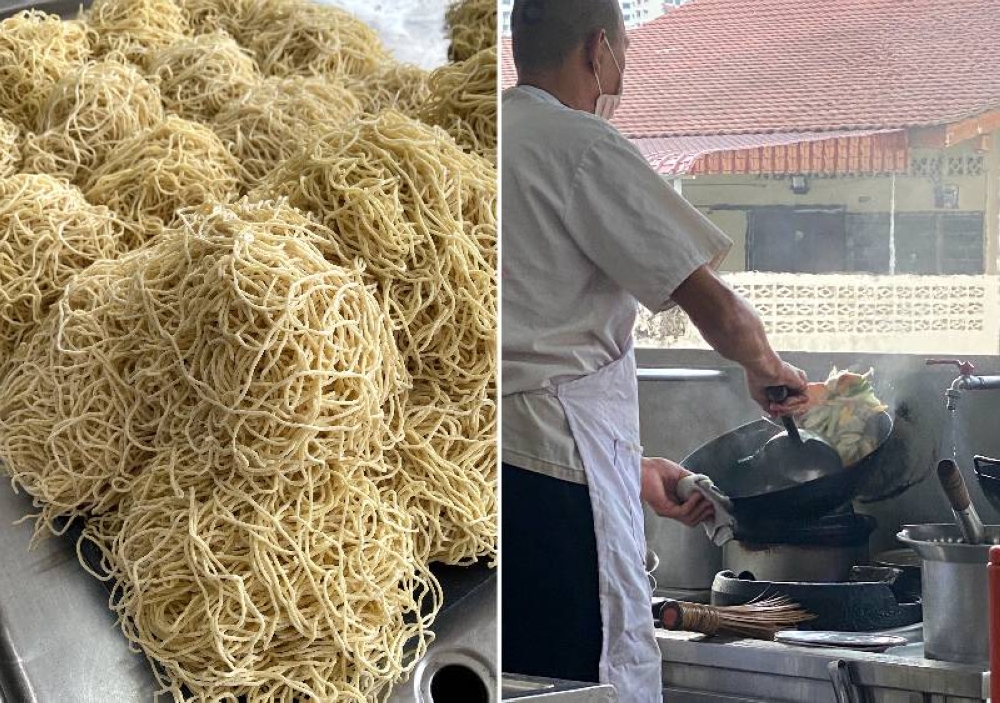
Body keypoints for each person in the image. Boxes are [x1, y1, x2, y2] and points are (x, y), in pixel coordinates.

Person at [501, 1, 810, 701]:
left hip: (488, 472)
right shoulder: (577, 144)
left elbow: (527, 346)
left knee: (518, 677)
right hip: (554, 491)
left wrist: (630, 468)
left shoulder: (488, 139)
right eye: (623, 60)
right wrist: (768, 370)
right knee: (575, 686)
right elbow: (709, 299)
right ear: (598, 51)